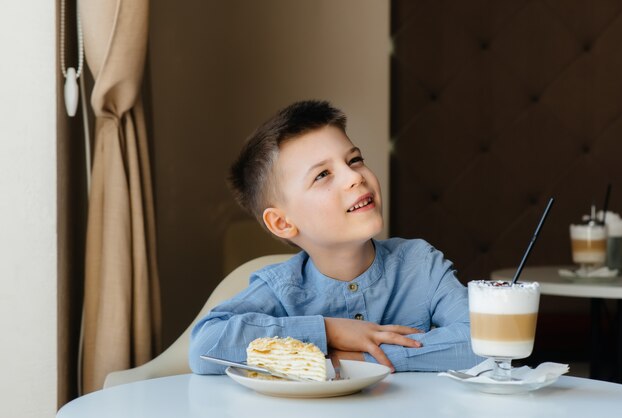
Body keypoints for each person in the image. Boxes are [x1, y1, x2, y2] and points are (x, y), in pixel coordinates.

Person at [189, 100, 482, 374]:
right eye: (322, 175)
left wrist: (355, 360)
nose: (355, 176)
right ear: (281, 222)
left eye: (354, 160)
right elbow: (206, 345)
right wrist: (329, 331)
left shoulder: (420, 265)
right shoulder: (281, 289)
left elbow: (483, 342)